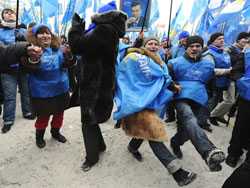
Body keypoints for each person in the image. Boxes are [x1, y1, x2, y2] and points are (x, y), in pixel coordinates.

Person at [114, 35, 196, 187]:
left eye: (155, 44)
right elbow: (126, 76)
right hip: (137, 102)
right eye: (150, 43)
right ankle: (179, 173)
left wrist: (172, 86)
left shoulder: (160, 62)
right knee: (154, 135)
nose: (153, 46)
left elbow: (162, 79)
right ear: (144, 46)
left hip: (152, 103)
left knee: (144, 130)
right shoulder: (134, 57)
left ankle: (132, 147)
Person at [68, 1, 127, 171]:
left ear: (102, 16)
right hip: (99, 82)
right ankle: (100, 146)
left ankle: (91, 158)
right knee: (91, 118)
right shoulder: (110, 30)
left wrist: (75, 28)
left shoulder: (104, 30)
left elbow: (77, 46)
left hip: (95, 84)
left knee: (87, 120)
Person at [168, 36, 225, 172]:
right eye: (191, 46)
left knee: (187, 129)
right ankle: (208, 151)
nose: (194, 49)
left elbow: (211, 85)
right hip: (180, 98)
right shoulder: (174, 63)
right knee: (189, 118)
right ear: (186, 48)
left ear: (202, 47)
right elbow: (168, 80)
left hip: (199, 99)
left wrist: (208, 96)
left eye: (197, 46)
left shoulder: (209, 65)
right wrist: (174, 85)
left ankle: (175, 143)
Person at [24, 24, 75, 148]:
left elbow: (70, 65)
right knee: (43, 117)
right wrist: (34, 58)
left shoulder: (60, 49)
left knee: (59, 114)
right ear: (35, 36)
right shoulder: (29, 49)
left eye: (48, 32)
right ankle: (39, 136)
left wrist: (68, 54)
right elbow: (27, 69)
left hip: (60, 89)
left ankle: (55, 133)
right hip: (42, 91)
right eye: (41, 33)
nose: (45, 35)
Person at [0, 8, 35, 133]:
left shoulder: (24, 31)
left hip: (23, 68)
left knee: (26, 92)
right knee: (10, 96)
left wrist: (23, 39)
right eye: (6, 12)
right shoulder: (0, 31)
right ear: (3, 17)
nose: (10, 13)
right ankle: (8, 120)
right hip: (7, 69)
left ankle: (27, 112)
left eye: (12, 12)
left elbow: (33, 45)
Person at [225, 41, 250, 168]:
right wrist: (244, 83)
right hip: (247, 99)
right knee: (241, 126)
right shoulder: (247, 54)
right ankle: (234, 153)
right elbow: (235, 72)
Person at [202, 33, 232, 126]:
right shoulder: (209, 54)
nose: (222, 40)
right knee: (211, 103)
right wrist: (227, 71)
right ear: (213, 41)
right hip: (213, 82)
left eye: (223, 38)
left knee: (217, 101)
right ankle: (204, 121)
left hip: (223, 81)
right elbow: (211, 70)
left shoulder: (224, 52)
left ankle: (212, 117)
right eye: (219, 39)